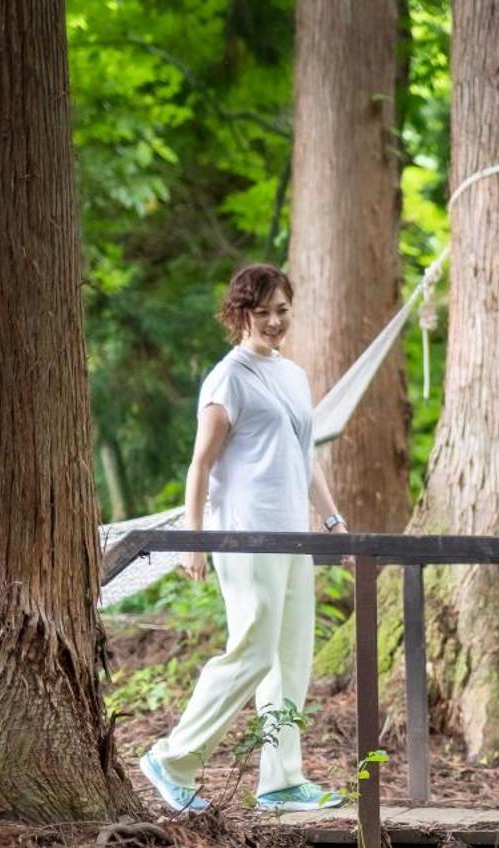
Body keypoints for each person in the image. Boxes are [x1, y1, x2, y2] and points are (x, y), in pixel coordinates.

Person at [139, 263, 347, 815]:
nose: (275, 322)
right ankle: (173, 758)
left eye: (282, 310)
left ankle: (281, 779)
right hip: (245, 535)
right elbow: (200, 464)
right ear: (240, 315)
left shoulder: (293, 375)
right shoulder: (228, 377)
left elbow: (304, 459)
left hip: (292, 536)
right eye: (263, 313)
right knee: (253, 651)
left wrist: (331, 522)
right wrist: (194, 538)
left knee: (291, 658)